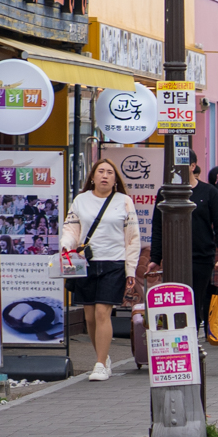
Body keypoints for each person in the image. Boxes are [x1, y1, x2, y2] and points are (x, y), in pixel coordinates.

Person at [60, 158, 142, 381]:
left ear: (115, 179)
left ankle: (99, 364)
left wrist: (130, 270)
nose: (105, 175)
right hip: (85, 263)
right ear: (93, 177)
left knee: (102, 312)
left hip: (114, 263)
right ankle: (103, 358)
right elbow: (71, 228)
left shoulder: (124, 201)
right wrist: (66, 246)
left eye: (110, 172)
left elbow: (133, 239)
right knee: (89, 316)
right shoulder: (80, 200)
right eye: (101, 172)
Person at [147, 161, 218, 341]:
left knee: (196, 302)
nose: (175, 170)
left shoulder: (209, 192)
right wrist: (155, 257)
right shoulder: (165, 192)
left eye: (181, 165)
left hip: (202, 257)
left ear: (193, 166)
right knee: (175, 302)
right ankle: (179, 343)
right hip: (172, 258)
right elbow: (157, 226)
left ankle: (190, 343)